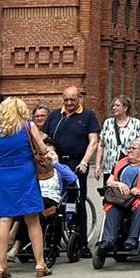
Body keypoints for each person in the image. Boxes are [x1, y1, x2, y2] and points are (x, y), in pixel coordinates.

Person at [0, 97, 52, 278]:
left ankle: (1, 265)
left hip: (5, 176)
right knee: (32, 220)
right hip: (26, 173)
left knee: (5, 219)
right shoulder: (28, 126)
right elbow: (43, 149)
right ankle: (40, 263)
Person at [44, 86, 100, 242]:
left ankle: (81, 242)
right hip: (56, 162)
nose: (69, 103)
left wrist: (84, 162)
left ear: (79, 99)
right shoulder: (55, 115)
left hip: (77, 162)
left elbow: (93, 141)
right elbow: (43, 137)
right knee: (55, 199)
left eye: (72, 100)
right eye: (66, 99)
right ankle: (53, 238)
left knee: (77, 201)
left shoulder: (88, 116)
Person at [100, 94, 140, 183]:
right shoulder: (107, 123)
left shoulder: (135, 123)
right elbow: (101, 144)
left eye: (117, 105)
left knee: (127, 192)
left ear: (125, 108)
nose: (114, 108)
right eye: (113, 105)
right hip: (109, 167)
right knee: (110, 193)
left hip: (129, 167)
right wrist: (98, 165)